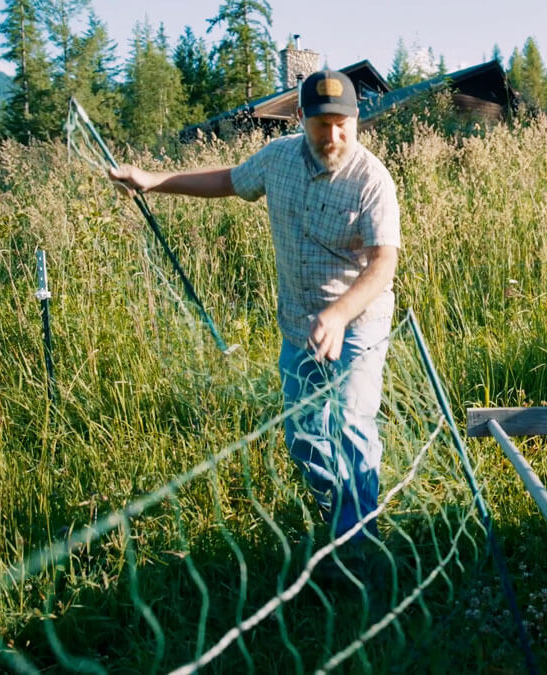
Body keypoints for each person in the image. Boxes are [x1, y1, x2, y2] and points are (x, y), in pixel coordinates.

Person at [110, 69, 401, 554]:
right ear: (302, 118)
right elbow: (229, 179)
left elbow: (383, 263)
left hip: (357, 325)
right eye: (322, 124)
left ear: (356, 120)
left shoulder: (372, 179)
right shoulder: (279, 159)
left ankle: (357, 550)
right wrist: (153, 181)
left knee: (351, 427)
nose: (333, 135)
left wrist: (339, 314)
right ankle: (336, 519)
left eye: (342, 124)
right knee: (305, 438)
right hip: (299, 325)